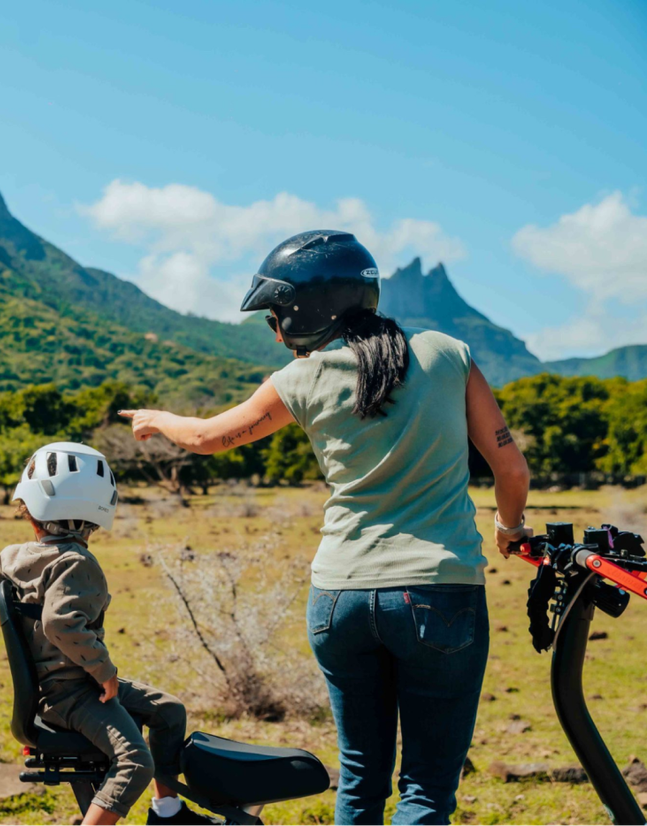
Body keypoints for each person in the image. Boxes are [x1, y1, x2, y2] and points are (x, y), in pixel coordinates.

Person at [120, 230, 531, 826]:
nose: (276, 331)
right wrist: (509, 527)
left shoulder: (300, 380)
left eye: (276, 317)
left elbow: (208, 437)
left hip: (338, 598)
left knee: (361, 777)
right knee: (426, 787)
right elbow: (510, 467)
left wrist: (159, 418)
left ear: (307, 312)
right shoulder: (447, 353)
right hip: (439, 593)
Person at [0, 442, 216, 826]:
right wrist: (103, 670)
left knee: (169, 711)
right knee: (135, 762)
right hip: (73, 693)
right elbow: (60, 622)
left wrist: (9, 580)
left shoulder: (14, 556)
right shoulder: (77, 562)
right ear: (96, 518)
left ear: (30, 512)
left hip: (55, 689)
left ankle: (167, 813)